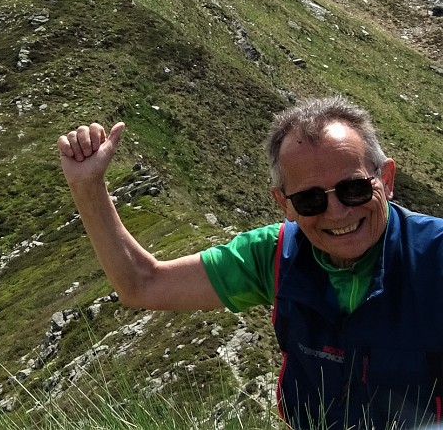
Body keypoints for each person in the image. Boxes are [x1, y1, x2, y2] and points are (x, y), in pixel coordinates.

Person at [57, 95, 443, 430]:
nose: (337, 212)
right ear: (284, 204)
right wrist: (87, 187)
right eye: (310, 200)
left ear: (386, 179)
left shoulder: (436, 256)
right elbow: (141, 284)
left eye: (353, 188)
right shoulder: (273, 255)